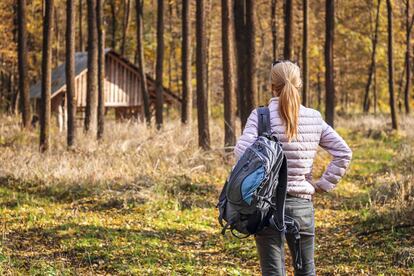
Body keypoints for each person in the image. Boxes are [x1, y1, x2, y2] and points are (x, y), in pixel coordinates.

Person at [234, 60, 352, 275]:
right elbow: (343, 152)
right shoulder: (314, 118)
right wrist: (323, 185)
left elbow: (241, 153)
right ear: (299, 85)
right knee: (306, 271)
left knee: (272, 272)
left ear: (272, 86)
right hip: (301, 206)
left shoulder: (260, 116)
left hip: (265, 205)